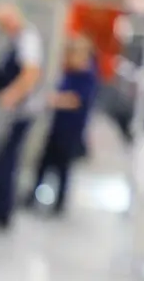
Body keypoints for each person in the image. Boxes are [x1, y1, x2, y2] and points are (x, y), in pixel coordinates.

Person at [0, 1, 45, 230]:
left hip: (22, 112)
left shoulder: (27, 39)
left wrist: (10, 96)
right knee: (2, 161)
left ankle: (0, 214)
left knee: (6, 162)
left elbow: (31, 74)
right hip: (16, 111)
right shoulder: (19, 38)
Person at [30, 35, 99, 215]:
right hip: (58, 127)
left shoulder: (87, 77)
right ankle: (33, 197)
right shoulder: (71, 73)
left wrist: (54, 100)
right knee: (44, 163)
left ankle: (59, 204)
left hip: (70, 130)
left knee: (62, 168)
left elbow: (76, 100)